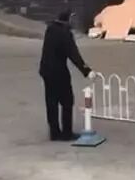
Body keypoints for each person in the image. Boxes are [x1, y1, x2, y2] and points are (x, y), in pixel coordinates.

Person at [39, 9, 95, 141]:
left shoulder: (50, 29)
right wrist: (87, 71)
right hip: (59, 72)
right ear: (68, 19)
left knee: (51, 102)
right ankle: (67, 133)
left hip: (46, 70)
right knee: (67, 101)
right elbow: (73, 54)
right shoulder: (65, 33)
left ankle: (54, 133)